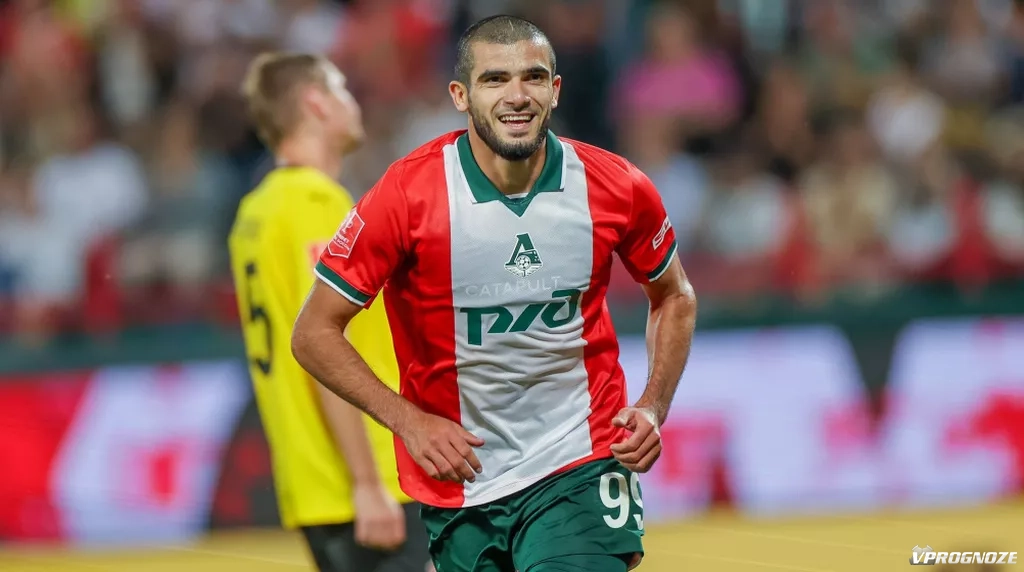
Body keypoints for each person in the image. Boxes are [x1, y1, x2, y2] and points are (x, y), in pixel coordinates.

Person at [291, 15, 698, 572]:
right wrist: (409, 421)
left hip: (580, 464)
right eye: (495, 79)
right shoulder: (407, 195)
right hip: (462, 482)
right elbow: (313, 332)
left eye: (533, 77)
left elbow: (675, 295)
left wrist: (653, 404)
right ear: (460, 95)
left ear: (556, 90)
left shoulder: (615, 185)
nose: (517, 96)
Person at [228, 52, 431, 572]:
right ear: (316, 102)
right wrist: (366, 483)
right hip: (367, 478)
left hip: (310, 479)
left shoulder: (255, 212)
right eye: (341, 89)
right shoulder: (314, 204)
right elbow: (323, 346)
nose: (352, 102)